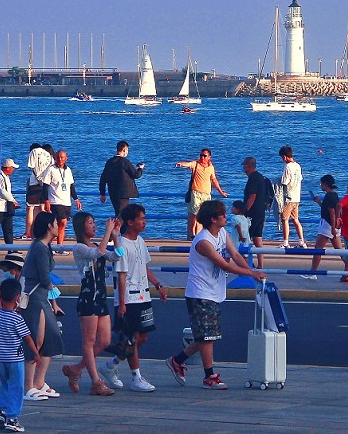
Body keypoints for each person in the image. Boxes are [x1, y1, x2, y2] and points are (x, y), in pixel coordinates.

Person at [166, 199, 266, 390]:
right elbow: (224, 265)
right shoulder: (203, 241)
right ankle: (209, 376)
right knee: (207, 336)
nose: (226, 217)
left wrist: (251, 270)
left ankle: (177, 361)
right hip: (200, 292)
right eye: (222, 215)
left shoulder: (222, 233)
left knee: (207, 335)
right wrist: (251, 274)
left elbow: (235, 255)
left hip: (214, 290)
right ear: (213, 219)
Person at [100, 203, 167, 393]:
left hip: (143, 295)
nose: (144, 222)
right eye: (141, 219)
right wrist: (122, 303)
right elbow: (121, 276)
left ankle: (111, 365)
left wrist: (158, 285)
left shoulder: (140, 241)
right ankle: (136, 377)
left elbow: (144, 266)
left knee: (142, 337)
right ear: (130, 222)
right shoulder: (122, 244)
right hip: (129, 297)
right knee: (131, 337)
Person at [62, 212, 122, 396]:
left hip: (100, 297)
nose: (94, 225)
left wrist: (115, 236)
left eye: (94, 222)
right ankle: (96, 382)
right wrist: (107, 232)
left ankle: (76, 369)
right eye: (90, 223)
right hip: (88, 297)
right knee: (89, 341)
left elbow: (117, 256)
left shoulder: (97, 245)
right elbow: (97, 254)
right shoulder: (79, 248)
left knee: (105, 340)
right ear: (82, 227)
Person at [22, 211, 63, 401]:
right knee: (36, 341)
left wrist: (54, 301)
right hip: (36, 298)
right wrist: (54, 294)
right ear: (49, 226)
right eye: (55, 223)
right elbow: (45, 277)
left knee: (52, 338)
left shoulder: (45, 246)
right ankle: (28, 386)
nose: (58, 226)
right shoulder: (39, 247)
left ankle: (39, 382)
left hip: (43, 297)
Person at [0, 277, 39, 433]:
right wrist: (36, 353)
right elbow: (27, 338)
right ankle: (12, 419)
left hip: (0, 359)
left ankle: (2, 411)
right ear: (18, 298)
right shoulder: (17, 318)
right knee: (16, 388)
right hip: (15, 360)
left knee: (4, 385)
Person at [175, 149, 228, 239]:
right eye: (201, 155)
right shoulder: (195, 164)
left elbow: (214, 180)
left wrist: (221, 191)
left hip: (206, 194)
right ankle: (191, 235)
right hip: (196, 193)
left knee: (203, 215)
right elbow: (188, 164)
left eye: (204, 156)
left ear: (209, 157)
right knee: (194, 215)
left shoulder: (211, 167)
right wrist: (181, 164)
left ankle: (198, 235)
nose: (202, 157)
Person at [301, 174, 343, 280]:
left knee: (318, 249)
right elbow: (328, 209)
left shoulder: (329, 196)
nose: (320, 186)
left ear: (325, 184)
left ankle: (312, 272)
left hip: (327, 226)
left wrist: (332, 228)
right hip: (333, 225)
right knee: (339, 250)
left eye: (321, 184)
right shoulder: (334, 195)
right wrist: (319, 202)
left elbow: (331, 212)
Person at [42, 150, 80, 253]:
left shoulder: (68, 170)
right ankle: (48, 246)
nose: (60, 159)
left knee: (62, 225)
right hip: (55, 201)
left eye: (62, 157)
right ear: (55, 158)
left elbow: (71, 186)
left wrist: (76, 199)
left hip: (66, 201)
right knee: (60, 222)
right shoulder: (51, 169)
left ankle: (59, 247)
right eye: (58, 157)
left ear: (66, 158)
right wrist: (46, 201)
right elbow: (45, 186)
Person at [100, 140, 144, 218]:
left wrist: (102, 193)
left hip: (113, 193)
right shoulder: (125, 162)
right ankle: (119, 226)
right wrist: (140, 168)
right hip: (124, 194)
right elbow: (136, 175)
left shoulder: (109, 162)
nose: (127, 152)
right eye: (127, 150)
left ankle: (118, 225)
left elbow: (103, 178)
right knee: (122, 215)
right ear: (124, 150)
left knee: (118, 213)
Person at [240, 156, 269, 268]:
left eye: (244, 166)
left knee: (245, 238)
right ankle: (260, 265)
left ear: (248, 166)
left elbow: (252, 196)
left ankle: (246, 264)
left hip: (252, 213)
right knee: (257, 238)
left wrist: (245, 211)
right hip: (260, 212)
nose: (243, 169)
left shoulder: (253, 178)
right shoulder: (261, 177)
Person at [276, 145, 306, 248]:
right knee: (295, 219)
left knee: (285, 219)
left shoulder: (288, 167)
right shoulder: (298, 166)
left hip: (288, 198)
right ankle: (301, 241)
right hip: (296, 197)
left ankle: (285, 242)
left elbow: (284, 182)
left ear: (284, 157)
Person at [24, 143, 53, 240]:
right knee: (43, 208)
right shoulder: (50, 157)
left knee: (30, 208)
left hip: (35, 185)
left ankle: (28, 232)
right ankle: (44, 231)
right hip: (46, 185)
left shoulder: (34, 153)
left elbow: (31, 166)